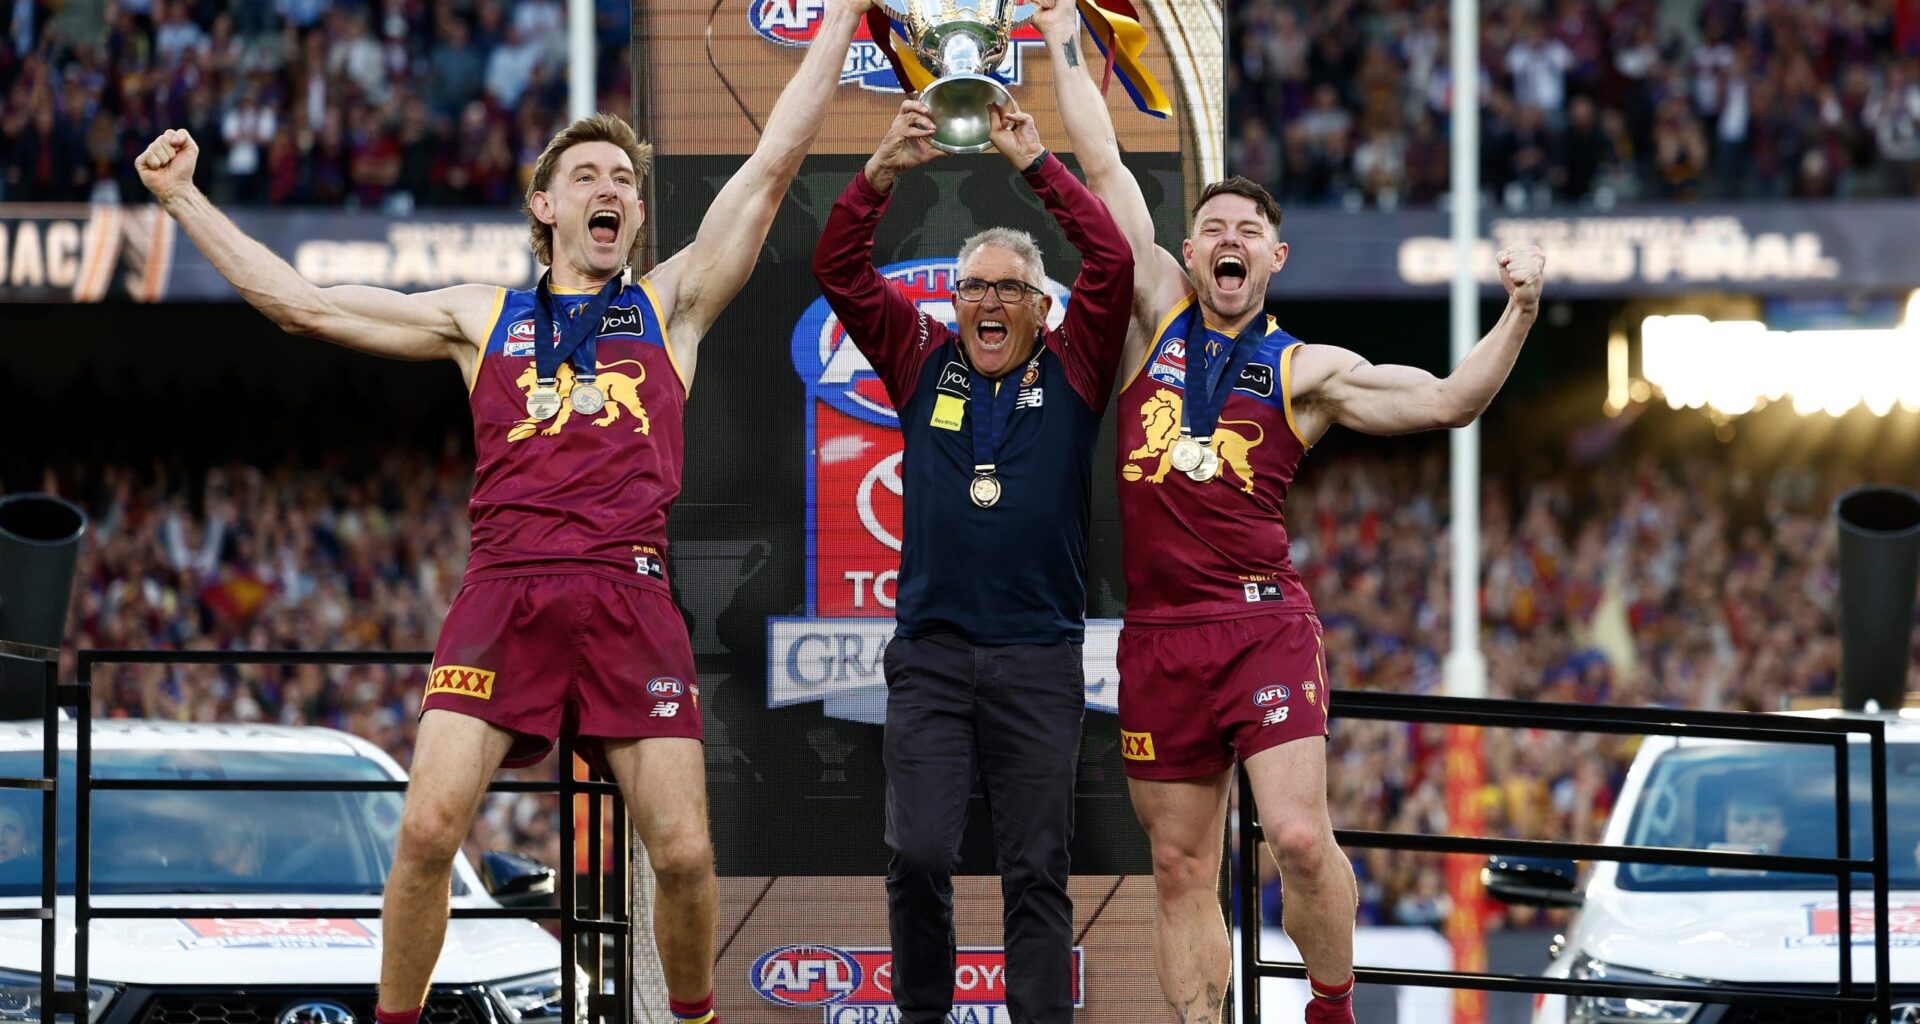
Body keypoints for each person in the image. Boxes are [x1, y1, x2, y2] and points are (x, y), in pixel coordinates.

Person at [133, 3, 873, 1019]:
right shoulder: (482, 316)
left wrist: (837, 18)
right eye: (588, 178)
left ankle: (693, 1018)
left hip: (631, 592)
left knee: (690, 853)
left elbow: (776, 163)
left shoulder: (670, 304)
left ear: (639, 218)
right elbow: (301, 304)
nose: (611, 189)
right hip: (505, 589)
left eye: (625, 182)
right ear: (544, 206)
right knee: (429, 829)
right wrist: (181, 200)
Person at [1033, 1, 1547, 1019]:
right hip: (1161, 636)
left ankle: (1331, 1000)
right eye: (1213, 228)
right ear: (1188, 252)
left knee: (1301, 839)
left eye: (1249, 232)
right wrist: (1057, 38)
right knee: (1179, 866)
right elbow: (1106, 170)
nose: (1229, 240)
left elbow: (1450, 399)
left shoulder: (1305, 370)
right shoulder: (1150, 322)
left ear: (1275, 259)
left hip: (1261, 624)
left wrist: (1522, 308)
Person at [809, 97, 1131, 1024]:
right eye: (973, 288)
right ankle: (923, 1016)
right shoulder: (920, 355)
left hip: (1036, 657)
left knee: (1037, 869)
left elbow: (1108, 261)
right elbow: (838, 265)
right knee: (916, 855)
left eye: (1008, 290)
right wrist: (880, 170)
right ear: (954, 303)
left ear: (1040, 307)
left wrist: (1036, 164)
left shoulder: (1073, 368)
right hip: (934, 658)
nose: (988, 302)